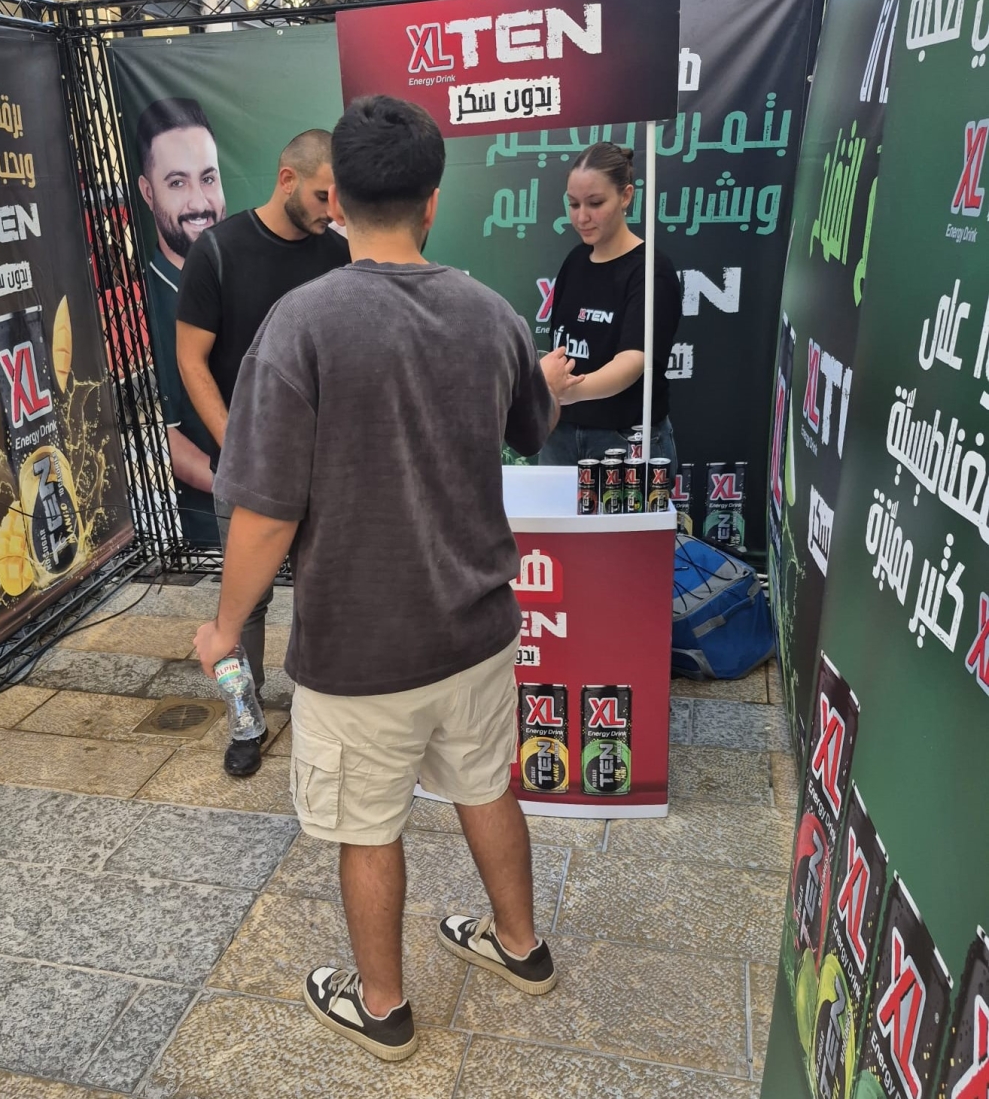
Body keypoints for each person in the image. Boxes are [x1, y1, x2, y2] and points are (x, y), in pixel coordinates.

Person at [193, 95, 581, 1062]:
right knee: (485, 785)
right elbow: (533, 426)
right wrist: (548, 380)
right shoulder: (490, 313)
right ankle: (522, 948)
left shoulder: (300, 323)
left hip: (358, 647)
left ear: (339, 200)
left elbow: (266, 511)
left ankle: (383, 1009)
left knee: (367, 827)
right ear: (432, 201)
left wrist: (224, 626)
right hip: (476, 627)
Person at [177, 129, 350, 778]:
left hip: (325, 467)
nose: (333, 209)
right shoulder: (218, 251)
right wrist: (238, 444)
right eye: (323, 195)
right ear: (286, 179)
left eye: (339, 198)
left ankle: (322, 716)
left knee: (323, 594)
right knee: (243, 604)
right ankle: (244, 720)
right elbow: (191, 361)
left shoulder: (340, 253)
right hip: (246, 465)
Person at [538, 142, 682, 468]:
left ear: (626, 196)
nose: (582, 217)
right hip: (559, 433)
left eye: (595, 203)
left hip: (625, 441)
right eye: (573, 204)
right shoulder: (575, 261)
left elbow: (633, 361)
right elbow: (560, 346)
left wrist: (571, 391)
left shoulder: (651, 271)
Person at [135, 97, 226, 547]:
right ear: (148, 192)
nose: (199, 202)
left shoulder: (245, 273)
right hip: (213, 536)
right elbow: (158, 437)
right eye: (177, 182)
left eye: (208, 178)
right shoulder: (139, 306)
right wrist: (251, 490)